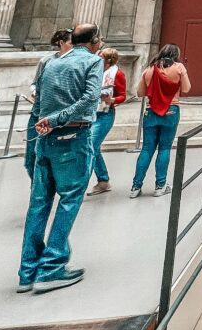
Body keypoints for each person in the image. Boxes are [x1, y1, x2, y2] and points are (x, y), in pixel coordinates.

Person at [17, 23, 104, 294]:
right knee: (69, 201)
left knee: (38, 205)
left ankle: (27, 272)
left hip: (45, 140)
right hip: (73, 138)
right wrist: (57, 119)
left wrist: (45, 123)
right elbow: (91, 98)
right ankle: (52, 267)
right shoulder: (92, 62)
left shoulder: (52, 62)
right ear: (95, 41)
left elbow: (39, 99)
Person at [130, 44, 191, 197]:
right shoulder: (179, 68)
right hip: (171, 110)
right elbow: (186, 88)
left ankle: (135, 187)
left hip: (151, 112)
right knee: (164, 149)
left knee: (146, 149)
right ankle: (160, 186)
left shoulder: (149, 70)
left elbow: (140, 92)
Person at [25, 28, 73, 179]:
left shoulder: (76, 63)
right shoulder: (46, 61)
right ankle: (38, 186)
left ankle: (45, 189)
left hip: (57, 117)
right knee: (30, 159)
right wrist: (34, 91)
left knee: (53, 159)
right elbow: (35, 83)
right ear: (61, 42)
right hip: (38, 114)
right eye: (72, 42)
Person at [86, 47, 126, 196]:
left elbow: (123, 95)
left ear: (108, 60)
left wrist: (112, 99)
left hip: (105, 114)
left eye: (100, 57)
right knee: (93, 147)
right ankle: (103, 181)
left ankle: (80, 184)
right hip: (89, 113)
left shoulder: (118, 74)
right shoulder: (93, 72)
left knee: (90, 146)